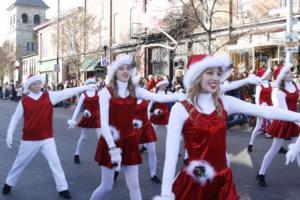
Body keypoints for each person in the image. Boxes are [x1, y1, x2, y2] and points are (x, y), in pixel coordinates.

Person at [153, 54, 300, 200]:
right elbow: (171, 158)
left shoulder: (225, 103)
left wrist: (297, 117)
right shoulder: (181, 109)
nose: (216, 77)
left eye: (218, 73)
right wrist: (166, 194)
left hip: (223, 179)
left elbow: (267, 111)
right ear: (196, 75)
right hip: (197, 178)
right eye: (210, 73)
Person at [90, 54, 184, 200]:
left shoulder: (135, 91)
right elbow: (104, 124)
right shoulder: (105, 93)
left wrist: (179, 96)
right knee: (107, 186)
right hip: (111, 143)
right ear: (115, 72)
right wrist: (112, 148)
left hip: (130, 142)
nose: (125, 71)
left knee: (134, 186)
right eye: (121, 68)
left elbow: (158, 98)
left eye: (128, 68)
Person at [2, 74, 97, 199]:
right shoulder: (24, 101)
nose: (37, 86)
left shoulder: (49, 96)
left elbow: (66, 92)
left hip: (47, 138)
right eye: (33, 84)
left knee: (55, 162)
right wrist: (9, 133)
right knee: (20, 162)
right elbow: (15, 118)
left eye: (38, 83)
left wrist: (84, 87)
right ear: (29, 86)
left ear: (42, 84)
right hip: (29, 139)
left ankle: (63, 188)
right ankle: (9, 184)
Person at [256, 65, 300, 187]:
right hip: (284, 121)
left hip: (295, 120)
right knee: (274, 150)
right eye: (286, 73)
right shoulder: (280, 92)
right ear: (281, 77)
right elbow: (286, 113)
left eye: (290, 71)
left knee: (298, 149)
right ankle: (261, 173)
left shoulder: (296, 85)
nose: (290, 74)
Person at [68, 77, 101, 164]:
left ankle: (102, 156)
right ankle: (77, 154)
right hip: (87, 116)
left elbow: (104, 106)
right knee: (83, 137)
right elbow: (78, 107)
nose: (92, 85)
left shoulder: (99, 93)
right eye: (90, 83)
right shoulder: (84, 94)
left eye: (93, 83)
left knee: (101, 138)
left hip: (97, 117)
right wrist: (73, 119)